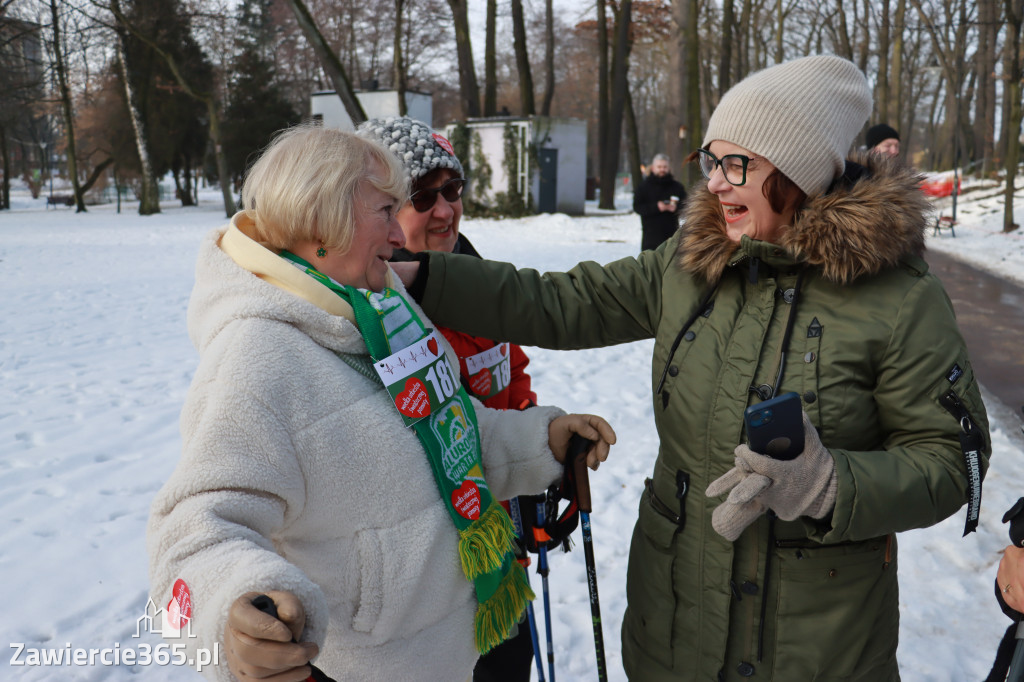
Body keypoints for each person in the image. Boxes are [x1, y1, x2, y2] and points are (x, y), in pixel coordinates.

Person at [392, 55, 991, 680]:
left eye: (739, 164)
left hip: (814, 643)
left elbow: (950, 460)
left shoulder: (898, 297)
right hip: (674, 625)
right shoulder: (692, 261)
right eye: (712, 161)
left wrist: (829, 484)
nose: (717, 184)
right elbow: (562, 301)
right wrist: (415, 276)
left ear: (800, 169)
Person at [145, 124, 616, 682]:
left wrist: (539, 439)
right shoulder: (256, 356)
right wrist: (233, 615)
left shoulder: (381, 305)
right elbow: (193, 531)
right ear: (323, 218)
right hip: (363, 666)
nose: (399, 233)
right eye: (386, 211)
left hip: (452, 649)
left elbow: (446, 426)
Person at [358, 115, 538, 681]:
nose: (444, 210)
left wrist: (538, 476)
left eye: (452, 190)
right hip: (421, 594)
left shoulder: (482, 282)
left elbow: (512, 380)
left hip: (498, 563)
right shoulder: (361, 315)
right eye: (421, 195)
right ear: (379, 210)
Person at [633, 153, 687, 251]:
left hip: (672, 237)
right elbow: (637, 207)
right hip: (650, 237)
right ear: (653, 168)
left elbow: (687, 205)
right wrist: (656, 207)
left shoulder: (677, 187)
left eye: (665, 167)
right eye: (659, 167)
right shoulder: (643, 187)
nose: (662, 169)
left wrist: (676, 208)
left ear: (669, 168)